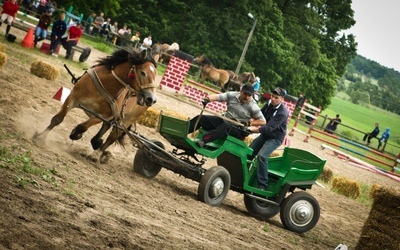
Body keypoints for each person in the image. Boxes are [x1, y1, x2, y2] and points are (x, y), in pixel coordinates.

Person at [188, 84, 266, 147]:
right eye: (245, 94)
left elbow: (263, 121)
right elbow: (217, 97)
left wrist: (249, 123)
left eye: (249, 95)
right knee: (201, 118)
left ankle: (204, 140)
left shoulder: (253, 106)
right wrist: (207, 99)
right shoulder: (232, 95)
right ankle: (184, 133)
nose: (247, 97)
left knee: (226, 126)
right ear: (241, 91)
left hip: (238, 129)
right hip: (225, 120)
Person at [247, 87, 289, 191]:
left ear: (282, 99)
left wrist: (250, 129)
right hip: (266, 135)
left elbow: (267, 128)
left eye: (276, 97)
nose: (273, 99)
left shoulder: (282, 113)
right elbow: (259, 116)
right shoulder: (269, 104)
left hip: (275, 138)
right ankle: (242, 174)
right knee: (249, 152)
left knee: (262, 156)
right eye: (272, 96)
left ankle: (262, 185)